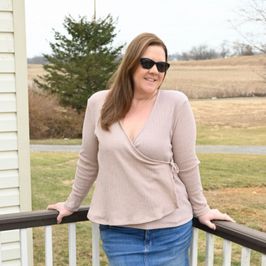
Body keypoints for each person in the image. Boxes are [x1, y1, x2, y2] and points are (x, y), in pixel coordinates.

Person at [48, 32, 234, 266]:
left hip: (171, 229)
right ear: (130, 64)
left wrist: (203, 210)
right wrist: (71, 205)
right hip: (119, 232)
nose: (154, 71)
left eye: (162, 65)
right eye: (147, 63)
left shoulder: (176, 104)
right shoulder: (98, 103)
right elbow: (88, 161)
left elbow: (187, 164)